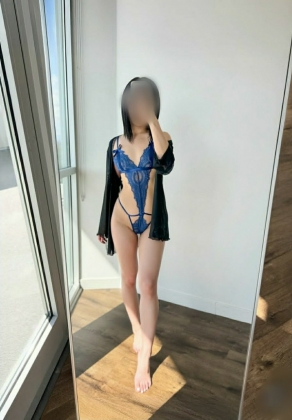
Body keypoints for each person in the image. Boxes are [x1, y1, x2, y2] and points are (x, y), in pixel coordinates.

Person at [96, 76, 175, 394]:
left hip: (152, 222)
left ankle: (144, 360)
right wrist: (103, 225)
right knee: (129, 280)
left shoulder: (162, 138)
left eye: (144, 99)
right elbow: (111, 186)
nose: (137, 105)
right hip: (121, 219)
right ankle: (137, 329)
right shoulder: (114, 144)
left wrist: (152, 119)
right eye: (133, 100)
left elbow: (166, 164)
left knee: (148, 284)